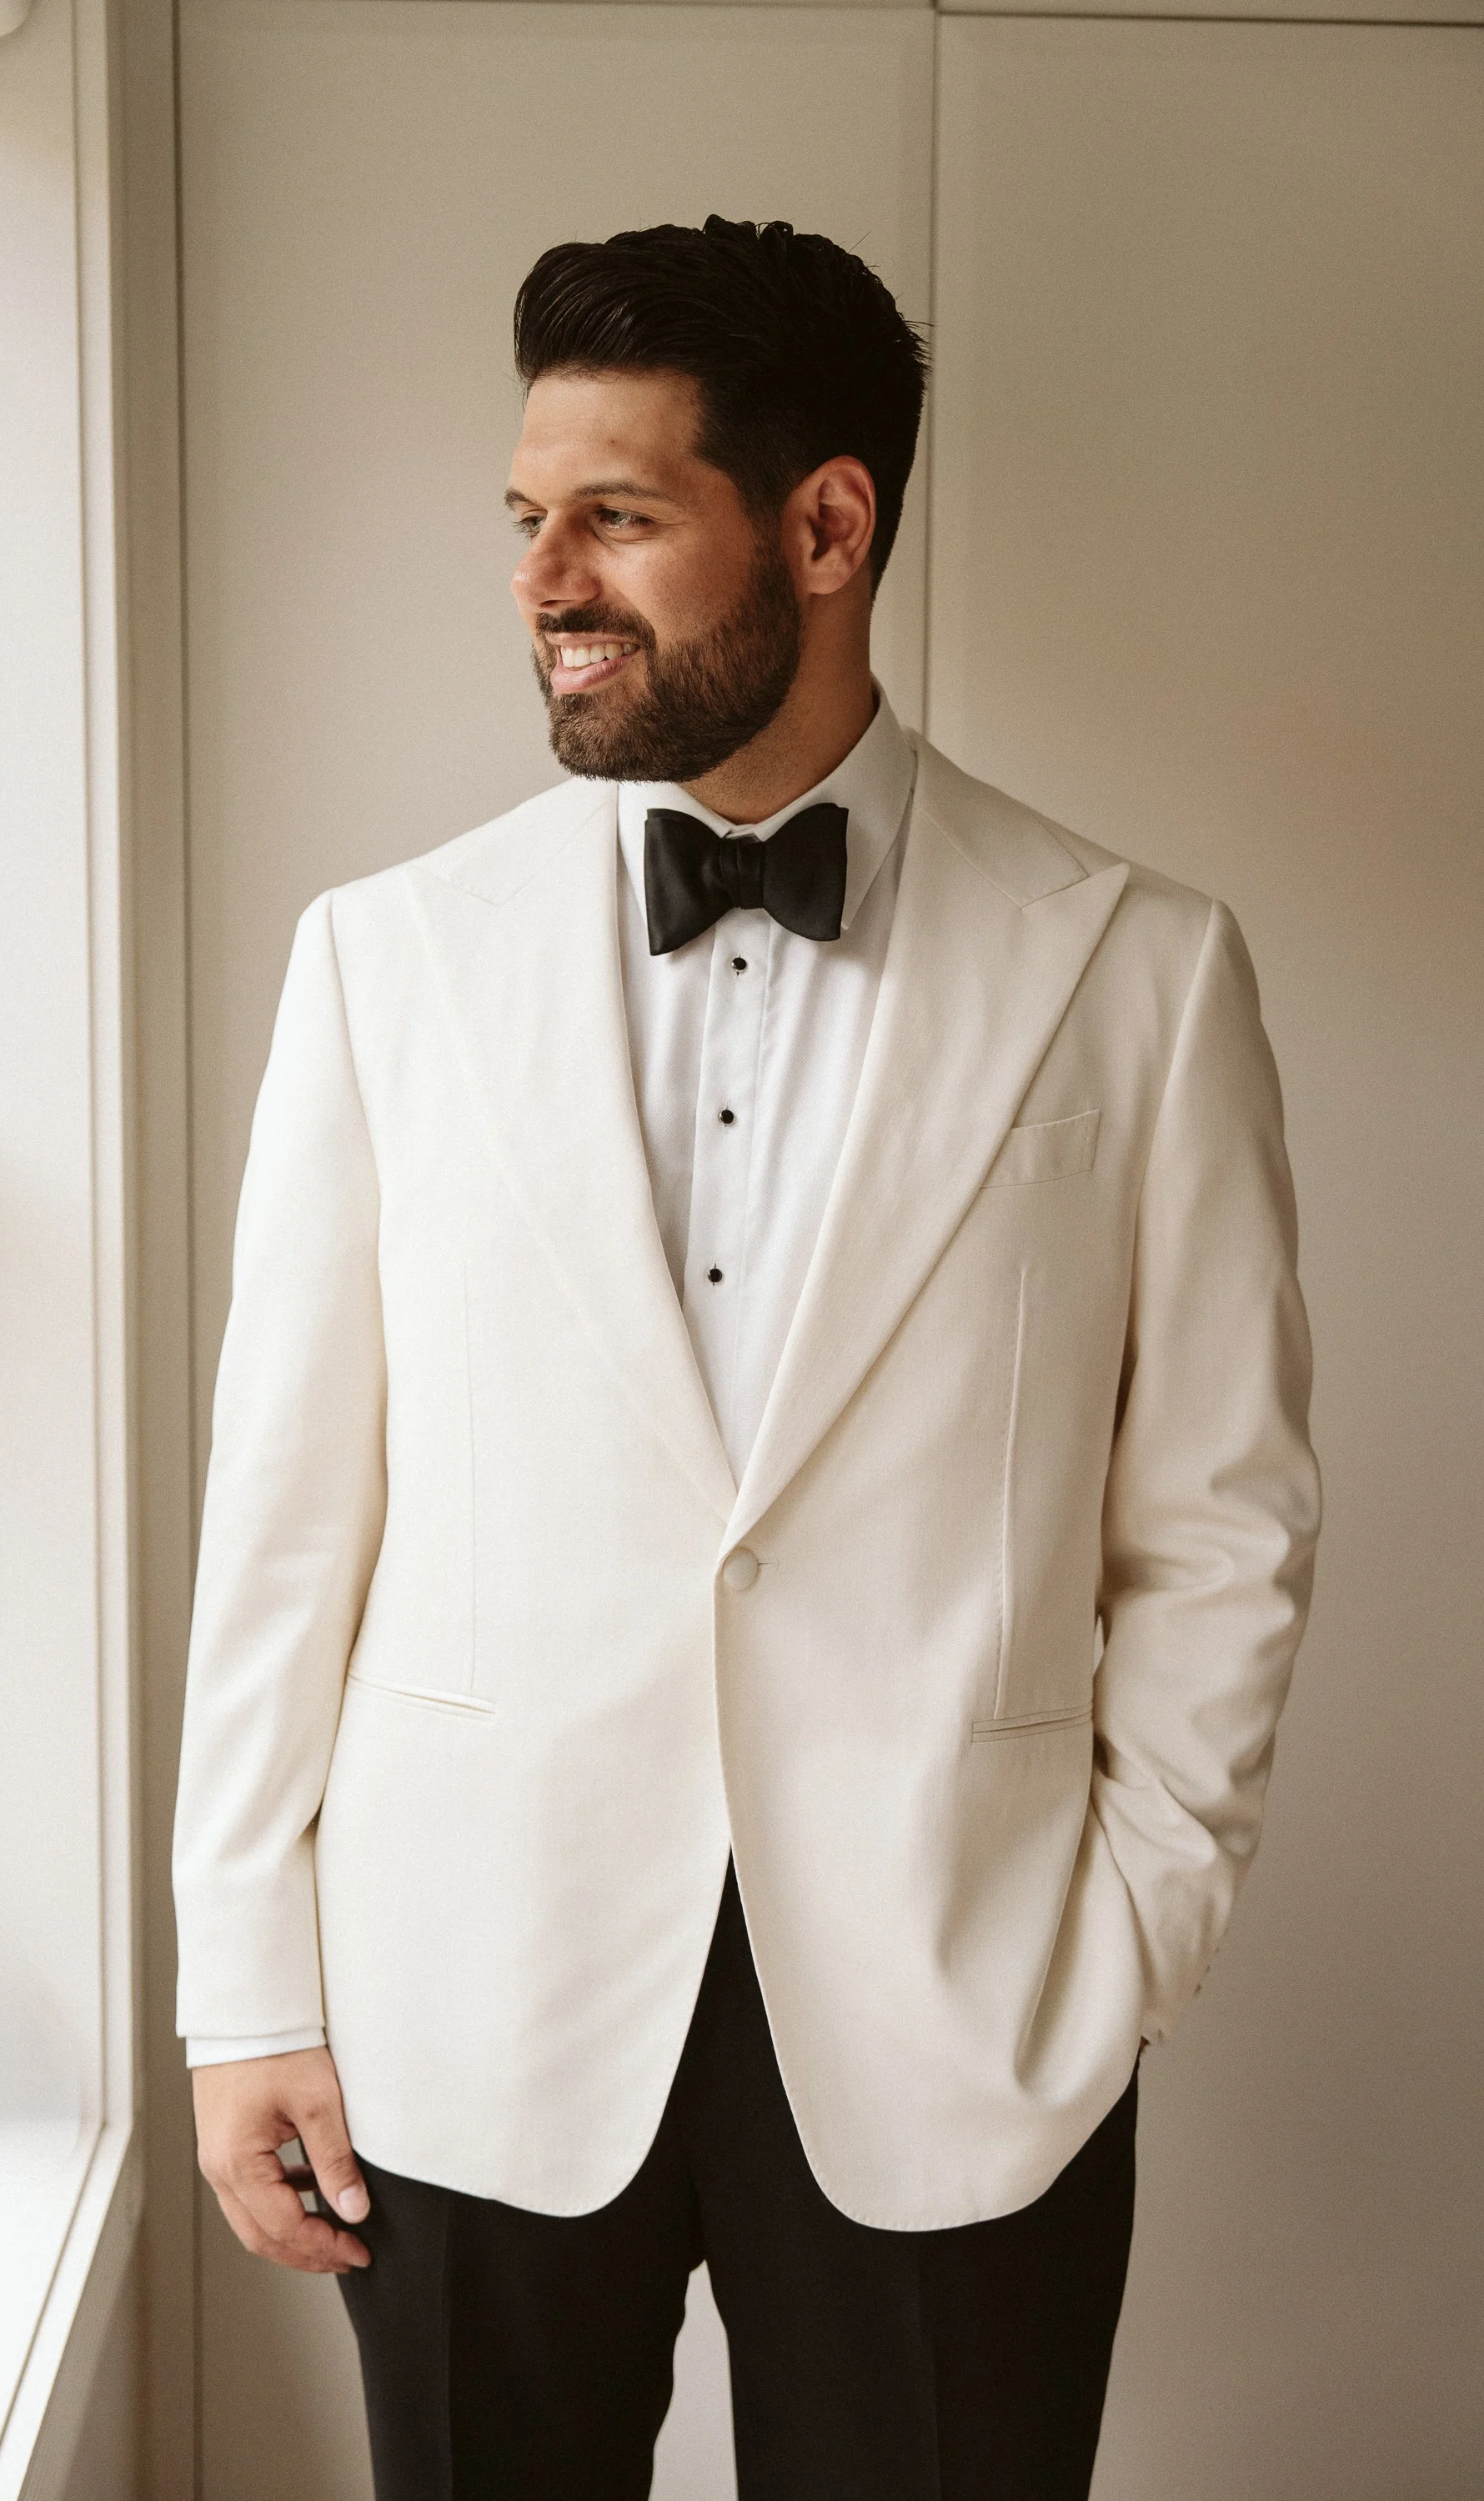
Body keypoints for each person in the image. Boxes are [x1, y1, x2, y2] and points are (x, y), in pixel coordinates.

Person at [174, 217, 1320, 2500]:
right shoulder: (385, 962)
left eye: (614, 513)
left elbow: (1223, 1523)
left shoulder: (1138, 973)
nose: (541, 579)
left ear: (824, 525)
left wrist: (1125, 1952)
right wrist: (243, 1988)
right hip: (467, 2006)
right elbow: (288, 1503)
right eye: (526, 516)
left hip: (961, 2012)